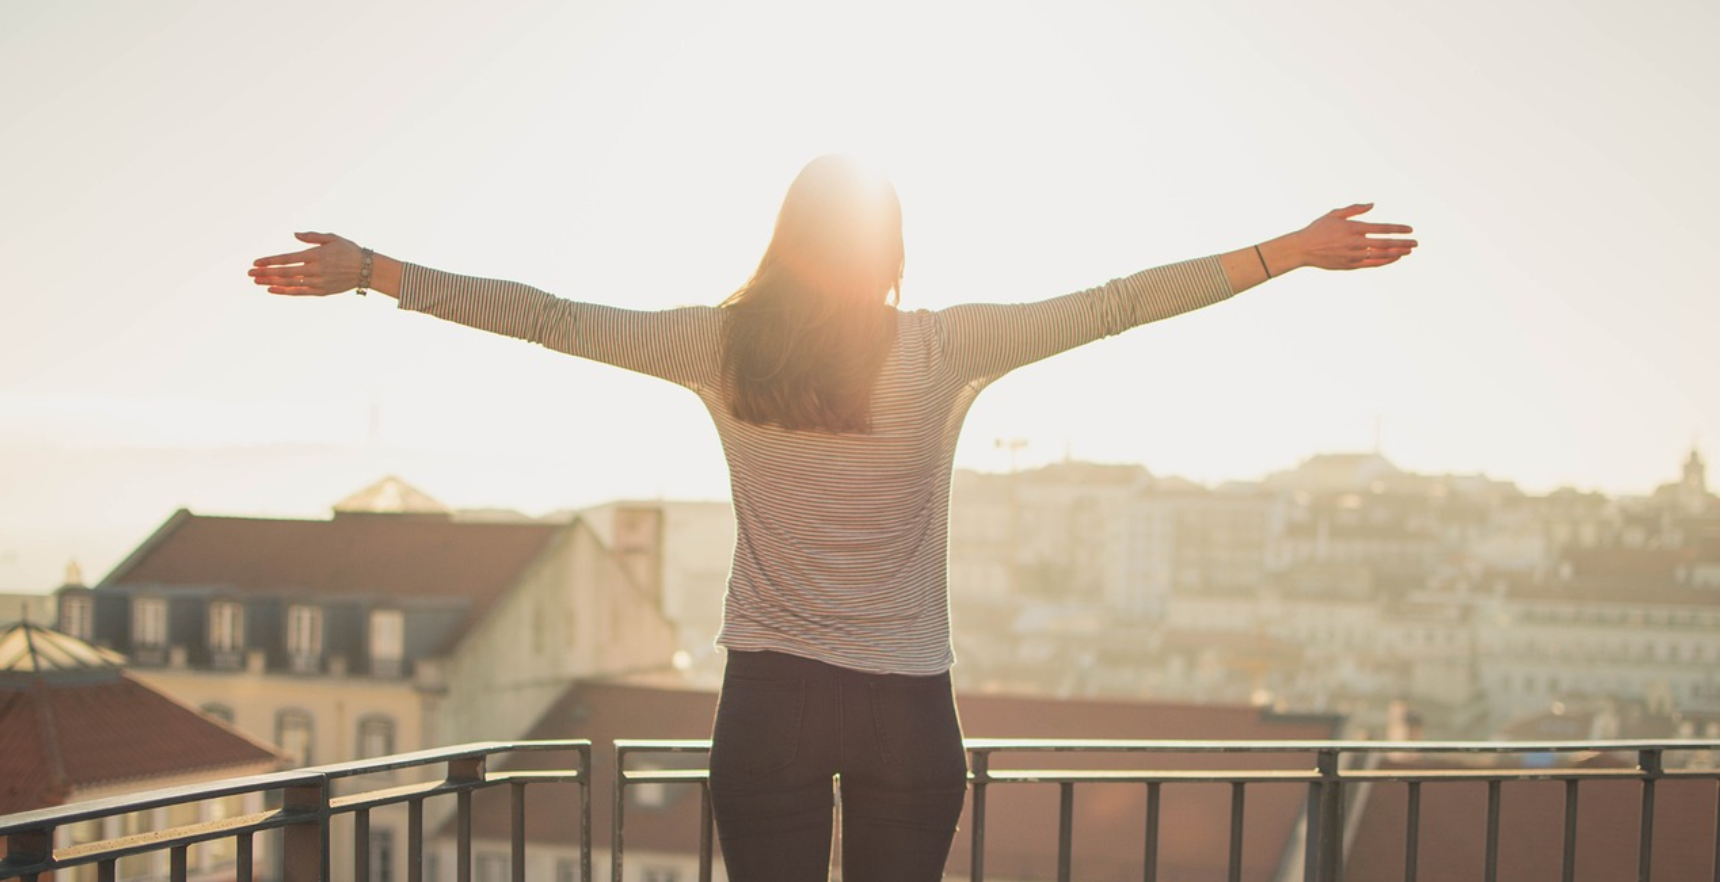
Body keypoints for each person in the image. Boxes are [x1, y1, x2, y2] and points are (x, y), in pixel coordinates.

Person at [249, 155, 1415, 881]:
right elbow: (1113, 306)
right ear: (891, 248)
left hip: (768, 703)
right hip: (909, 713)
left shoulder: (716, 344)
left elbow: (550, 317)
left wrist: (377, 271)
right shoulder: (943, 346)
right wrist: (1283, 256)